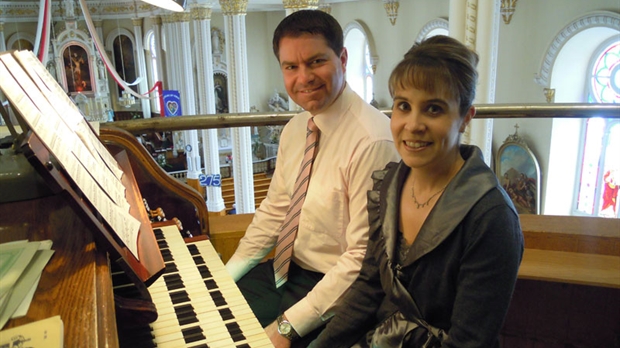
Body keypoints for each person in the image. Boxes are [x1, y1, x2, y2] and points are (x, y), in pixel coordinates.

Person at [310, 35, 524, 347]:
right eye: (403, 106)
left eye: (433, 109)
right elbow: (369, 287)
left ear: (465, 117)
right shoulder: (387, 184)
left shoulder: (491, 217)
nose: (412, 124)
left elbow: (469, 341)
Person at [225, 9, 400, 348]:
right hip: (285, 271)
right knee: (211, 316)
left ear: (343, 58)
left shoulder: (373, 140)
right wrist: (224, 278)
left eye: (316, 61)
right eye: (291, 67)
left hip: (340, 289)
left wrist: (286, 329)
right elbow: (275, 211)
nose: (303, 78)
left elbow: (362, 258)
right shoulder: (295, 129)